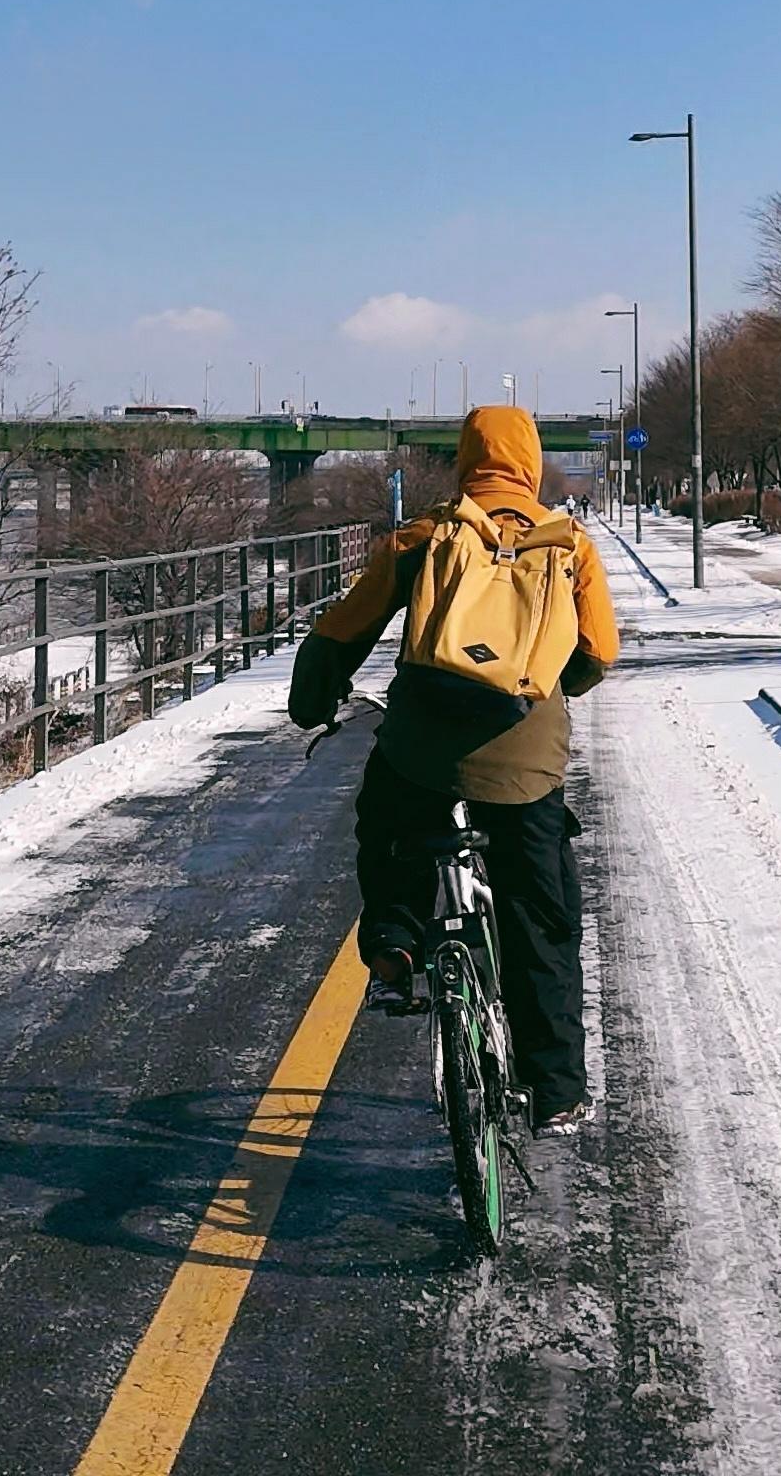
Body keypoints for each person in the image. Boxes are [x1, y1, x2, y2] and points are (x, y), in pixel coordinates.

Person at [288, 407, 619, 1135]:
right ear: (530, 461)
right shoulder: (569, 546)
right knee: (541, 912)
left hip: (424, 746)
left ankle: (398, 941)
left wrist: (313, 702)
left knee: (389, 818)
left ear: (467, 458)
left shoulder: (427, 534)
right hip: (526, 760)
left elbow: (344, 629)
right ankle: (556, 1087)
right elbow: (597, 656)